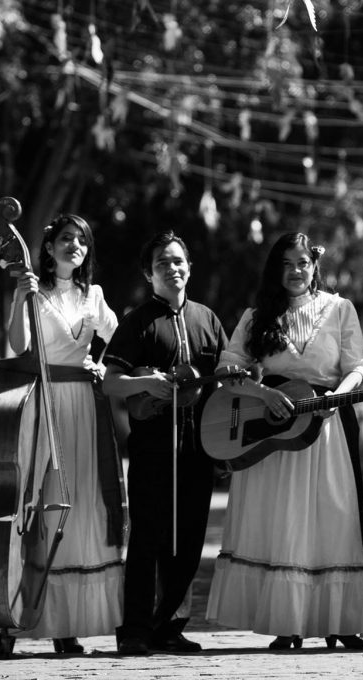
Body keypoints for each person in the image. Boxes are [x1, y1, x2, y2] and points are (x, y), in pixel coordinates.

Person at [205, 233, 363, 650]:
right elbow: (228, 371)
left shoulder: (339, 308)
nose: (295, 271)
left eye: (302, 262)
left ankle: (338, 622)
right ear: (275, 270)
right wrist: (263, 395)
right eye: (286, 264)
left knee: (331, 516)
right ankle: (287, 621)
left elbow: (357, 367)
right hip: (271, 429)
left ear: (315, 266)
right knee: (283, 520)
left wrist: (337, 396)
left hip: (325, 424)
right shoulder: (256, 315)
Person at [0, 213, 125, 657]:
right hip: (42, 400)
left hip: (83, 404)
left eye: (81, 242)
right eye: (66, 240)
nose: (74, 247)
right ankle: (10, 620)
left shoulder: (94, 295)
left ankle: (68, 626)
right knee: (37, 503)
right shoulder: (32, 291)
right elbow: (18, 346)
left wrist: (104, 365)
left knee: (79, 505)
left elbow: (118, 338)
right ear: (48, 248)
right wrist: (19, 299)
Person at [102, 230, 228, 656]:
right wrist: (146, 383)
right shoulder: (137, 322)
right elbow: (110, 381)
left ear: (188, 268)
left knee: (189, 540)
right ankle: (136, 629)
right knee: (148, 539)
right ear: (148, 273)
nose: (172, 269)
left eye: (178, 261)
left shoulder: (208, 319)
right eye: (162, 264)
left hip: (199, 446)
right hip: (153, 448)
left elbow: (226, 382)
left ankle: (170, 625)